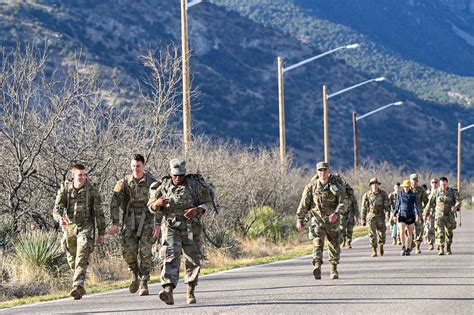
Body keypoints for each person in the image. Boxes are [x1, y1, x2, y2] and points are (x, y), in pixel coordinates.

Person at [148, 158, 213, 305]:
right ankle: (168, 291)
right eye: (175, 175)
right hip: (171, 226)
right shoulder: (162, 186)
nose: (177, 178)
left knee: (193, 259)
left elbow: (208, 201)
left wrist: (197, 210)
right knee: (170, 255)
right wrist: (156, 204)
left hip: (192, 227)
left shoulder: (195, 185)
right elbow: (150, 206)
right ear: (171, 174)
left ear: (185, 174)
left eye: (180, 175)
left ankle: (190, 291)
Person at [108, 154, 160, 296]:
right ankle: (134, 273)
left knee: (145, 252)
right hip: (129, 220)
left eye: (138, 166)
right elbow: (114, 202)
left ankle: (144, 282)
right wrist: (115, 223)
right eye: (133, 166)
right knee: (128, 252)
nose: (135, 169)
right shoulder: (123, 183)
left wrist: (158, 224)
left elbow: (160, 203)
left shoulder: (152, 183)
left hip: (147, 220)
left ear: (143, 166)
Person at [53, 163, 106, 300]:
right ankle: (81, 285)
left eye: (84, 174)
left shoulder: (92, 191)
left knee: (82, 253)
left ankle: (77, 285)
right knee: (72, 258)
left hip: (86, 226)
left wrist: (101, 233)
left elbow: (99, 213)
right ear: (73, 175)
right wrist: (60, 219)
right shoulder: (66, 189)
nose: (83, 177)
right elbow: (57, 208)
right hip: (70, 227)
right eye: (80, 175)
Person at [296, 161, 347, 280]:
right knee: (317, 243)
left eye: (324, 170)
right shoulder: (311, 187)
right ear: (317, 172)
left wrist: (336, 213)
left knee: (334, 245)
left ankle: (333, 269)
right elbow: (304, 204)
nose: (322, 172)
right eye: (320, 170)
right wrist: (300, 219)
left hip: (332, 221)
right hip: (317, 220)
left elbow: (343, 202)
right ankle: (317, 266)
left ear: (328, 171)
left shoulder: (336, 187)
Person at [423, 177, 461, 255]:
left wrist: (455, 206)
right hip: (439, 214)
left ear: (447, 184)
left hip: (449, 215)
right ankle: (441, 248)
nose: (443, 186)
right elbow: (429, 203)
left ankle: (448, 247)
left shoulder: (452, 192)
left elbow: (458, 201)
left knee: (449, 232)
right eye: (441, 185)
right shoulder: (436, 192)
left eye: (444, 184)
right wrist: (425, 214)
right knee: (440, 232)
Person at [361, 178, 390, 257]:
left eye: (376, 183)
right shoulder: (367, 195)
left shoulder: (383, 194)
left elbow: (387, 206)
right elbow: (363, 208)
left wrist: (387, 214)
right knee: (372, 234)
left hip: (380, 215)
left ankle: (381, 245)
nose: (374, 185)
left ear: (378, 184)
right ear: (370, 185)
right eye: (373, 183)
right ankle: (374, 249)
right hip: (371, 215)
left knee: (382, 234)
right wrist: (363, 218)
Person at [394, 180, 419, 256]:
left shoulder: (413, 194)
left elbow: (416, 205)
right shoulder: (400, 194)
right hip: (402, 215)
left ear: (410, 187)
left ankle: (408, 248)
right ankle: (403, 247)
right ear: (403, 187)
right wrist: (394, 214)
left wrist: (417, 215)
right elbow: (397, 205)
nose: (406, 188)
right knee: (401, 231)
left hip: (411, 215)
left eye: (407, 187)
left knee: (410, 233)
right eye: (405, 187)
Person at [410, 173, 428, 254]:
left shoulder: (421, 190)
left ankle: (417, 246)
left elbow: (426, 201)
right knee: (407, 229)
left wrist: (426, 211)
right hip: (409, 211)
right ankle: (411, 242)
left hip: (419, 212)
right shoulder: (407, 189)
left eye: (415, 181)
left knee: (419, 229)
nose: (414, 183)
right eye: (413, 181)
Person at [423, 178, 439, 250]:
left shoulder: (441, 192)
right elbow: (424, 204)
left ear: (438, 183)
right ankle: (430, 243)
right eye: (433, 182)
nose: (434, 184)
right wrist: (425, 214)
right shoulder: (426, 193)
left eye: (436, 182)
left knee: (439, 229)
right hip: (430, 213)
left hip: (439, 213)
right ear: (430, 184)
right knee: (429, 228)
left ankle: (439, 243)